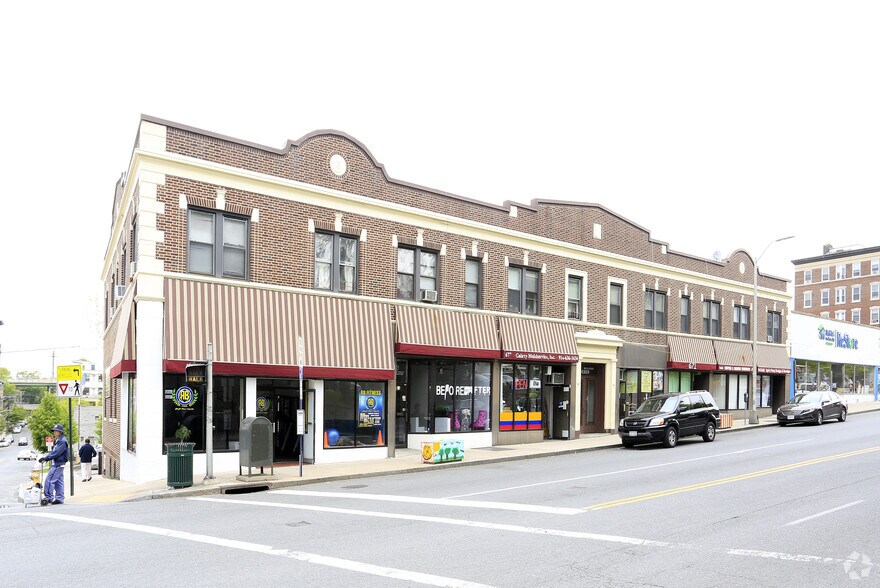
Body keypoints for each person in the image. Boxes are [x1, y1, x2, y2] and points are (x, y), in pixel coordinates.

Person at [38, 424, 69, 505]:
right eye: (54, 431)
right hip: (59, 463)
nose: (54, 432)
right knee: (59, 482)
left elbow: (56, 453)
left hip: (58, 464)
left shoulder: (62, 441)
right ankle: (59, 498)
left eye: (56, 431)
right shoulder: (59, 440)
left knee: (49, 480)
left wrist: (46, 458)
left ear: (60, 432)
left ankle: (48, 498)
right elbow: (54, 452)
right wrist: (47, 457)